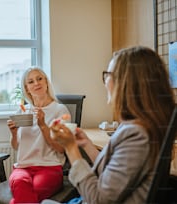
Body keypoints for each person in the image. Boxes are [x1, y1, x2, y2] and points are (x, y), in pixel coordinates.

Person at [43, 46, 176, 204]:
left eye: (108, 75)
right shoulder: (142, 126)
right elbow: (114, 178)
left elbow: (99, 199)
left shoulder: (137, 135)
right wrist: (86, 145)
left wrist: (71, 149)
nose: (105, 81)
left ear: (127, 83)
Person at [7, 67, 71, 204]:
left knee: (30, 192)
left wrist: (43, 125)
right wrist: (13, 134)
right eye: (31, 82)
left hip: (50, 167)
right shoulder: (22, 111)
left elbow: (61, 149)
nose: (36, 83)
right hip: (22, 168)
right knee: (20, 183)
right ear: (27, 88)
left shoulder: (60, 110)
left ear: (46, 82)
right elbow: (16, 146)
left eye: (39, 79)